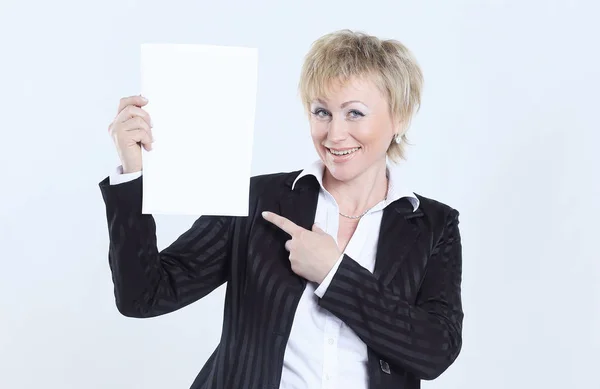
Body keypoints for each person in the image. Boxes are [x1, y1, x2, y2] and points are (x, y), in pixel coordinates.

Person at [99, 29, 463, 389]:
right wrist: (133, 175)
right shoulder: (258, 199)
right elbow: (143, 296)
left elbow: (435, 352)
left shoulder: (433, 225)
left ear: (399, 118)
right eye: (322, 112)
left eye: (354, 113)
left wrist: (334, 273)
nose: (334, 134)